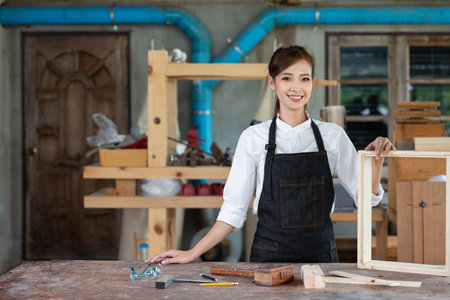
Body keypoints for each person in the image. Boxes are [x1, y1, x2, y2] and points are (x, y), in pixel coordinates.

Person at [148, 45, 395, 264]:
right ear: (272, 83)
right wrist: (191, 253)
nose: (296, 87)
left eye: (304, 79)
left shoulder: (333, 135)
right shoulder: (253, 138)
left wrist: (377, 161)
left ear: (312, 83)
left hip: (321, 254)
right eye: (287, 78)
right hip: (269, 254)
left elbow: (366, 200)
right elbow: (233, 211)